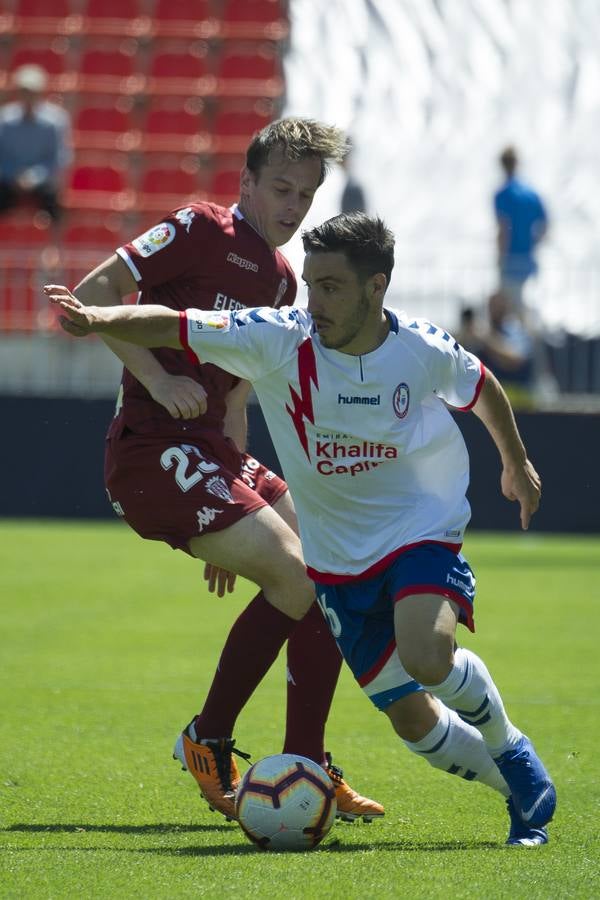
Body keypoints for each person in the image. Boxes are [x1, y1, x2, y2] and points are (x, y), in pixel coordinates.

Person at [45, 211, 557, 847]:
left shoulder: (420, 348)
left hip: (418, 527)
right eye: (311, 284)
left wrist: (517, 461)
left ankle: (512, 748)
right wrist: (96, 320)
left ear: (377, 287)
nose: (314, 302)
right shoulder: (280, 337)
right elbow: (176, 325)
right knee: (412, 722)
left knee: (427, 654)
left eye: (333, 287)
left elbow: (482, 386)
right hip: (338, 557)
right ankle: (523, 798)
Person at [53, 118, 384, 824]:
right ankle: (208, 740)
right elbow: (96, 291)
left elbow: (236, 397)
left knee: (333, 567)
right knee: (296, 574)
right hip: (149, 450)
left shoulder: (284, 279)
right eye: (281, 187)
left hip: (211, 457)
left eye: (307, 192)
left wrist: (236, 509)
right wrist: (155, 376)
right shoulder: (201, 228)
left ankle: (306, 765)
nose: (293, 206)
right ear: (247, 184)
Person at [0, 64, 71, 223]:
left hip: (43, 182)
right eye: (24, 91)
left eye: (31, 92)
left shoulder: (56, 120)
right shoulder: (4, 119)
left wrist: (34, 177)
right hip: (8, 181)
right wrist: (14, 176)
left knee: (54, 203)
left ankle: (54, 245)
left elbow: (58, 158)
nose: (27, 96)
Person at [494, 146, 548, 316]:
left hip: (511, 261)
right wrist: (532, 244)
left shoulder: (502, 194)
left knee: (510, 312)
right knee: (528, 310)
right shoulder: (531, 193)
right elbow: (545, 226)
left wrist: (501, 258)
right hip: (529, 260)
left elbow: (503, 229)